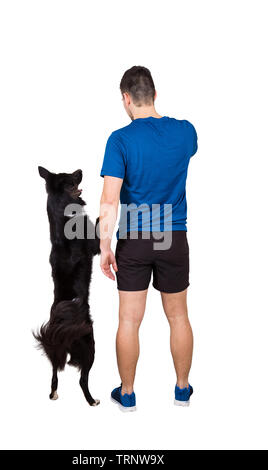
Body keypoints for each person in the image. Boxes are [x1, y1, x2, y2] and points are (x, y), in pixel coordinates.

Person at [99, 66, 198, 412]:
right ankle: (182, 390)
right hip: (173, 237)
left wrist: (104, 247)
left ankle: (127, 394)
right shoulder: (186, 132)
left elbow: (109, 201)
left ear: (126, 98)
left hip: (136, 240)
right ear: (155, 94)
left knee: (128, 320)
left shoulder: (120, 140)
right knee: (179, 317)